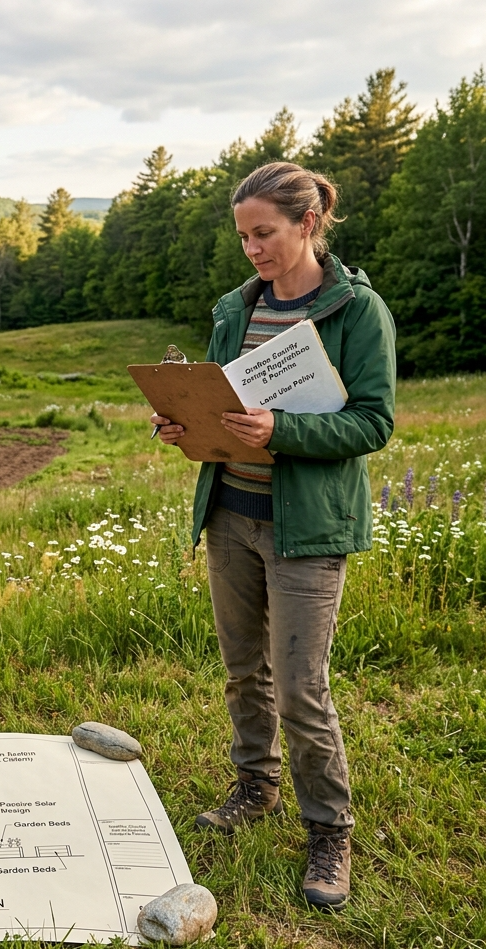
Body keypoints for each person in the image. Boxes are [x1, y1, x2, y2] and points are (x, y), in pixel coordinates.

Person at [152, 162, 396, 910]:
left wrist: (281, 430)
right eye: (243, 237)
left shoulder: (358, 311)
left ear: (308, 224)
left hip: (307, 530)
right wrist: (182, 421)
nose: (253, 248)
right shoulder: (238, 308)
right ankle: (254, 787)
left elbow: (373, 423)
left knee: (300, 687)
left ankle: (330, 830)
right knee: (241, 670)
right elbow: (223, 400)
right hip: (230, 513)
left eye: (265, 233)